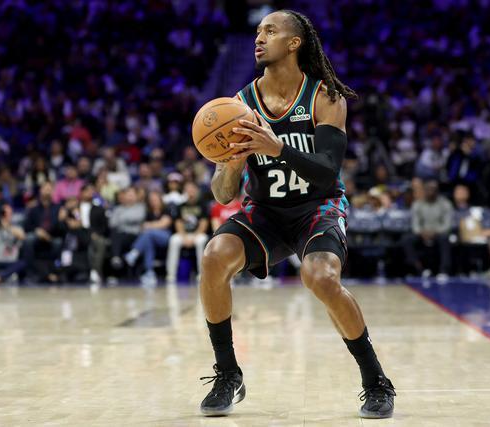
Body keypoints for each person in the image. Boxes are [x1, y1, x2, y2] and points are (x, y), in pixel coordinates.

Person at [197, 10, 395, 419]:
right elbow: (223, 192)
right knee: (214, 256)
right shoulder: (239, 105)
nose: (259, 38)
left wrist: (277, 148)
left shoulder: (325, 97)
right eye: (257, 32)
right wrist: (231, 164)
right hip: (265, 211)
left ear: (294, 42)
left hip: (317, 207)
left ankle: (376, 380)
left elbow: (327, 172)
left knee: (320, 277)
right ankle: (228, 373)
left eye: (270, 31)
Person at [401, 180, 453, 279]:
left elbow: (447, 225)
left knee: (444, 238)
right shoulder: (417, 204)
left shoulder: (445, 204)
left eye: (433, 189)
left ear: (437, 191)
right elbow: (415, 224)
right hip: (422, 233)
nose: (431, 192)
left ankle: (444, 271)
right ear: (424, 190)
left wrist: (435, 232)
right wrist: (421, 232)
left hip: (438, 233)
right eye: (428, 189)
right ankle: (419, 270)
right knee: (407, 239)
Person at [124, 190, 173, 287]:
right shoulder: (149, 213)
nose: (153, 202)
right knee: (148, 242)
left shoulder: (167, 209)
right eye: (151, 200)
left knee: (149, 233)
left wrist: (150, 225)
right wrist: (152, 225)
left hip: (166, 237)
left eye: (155, 199)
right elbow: (143, 226)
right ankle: (149, 272)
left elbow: (164, 224)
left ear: (160, 199)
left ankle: (134, 252)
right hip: (152, 238)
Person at [166, 182, 209, 283]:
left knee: (200, 241)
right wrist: (184, 237)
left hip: (198, 234)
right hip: (184, 234)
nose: (190, 192)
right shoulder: (180, 206)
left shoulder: (202, 205)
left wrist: (194, 236)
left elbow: (204, 223)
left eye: (192, 189)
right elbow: (178, 223)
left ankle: (201, 274)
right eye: (188, 190)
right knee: (174, 240)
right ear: (185, 191)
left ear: (196, 191)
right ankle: (171, 275)